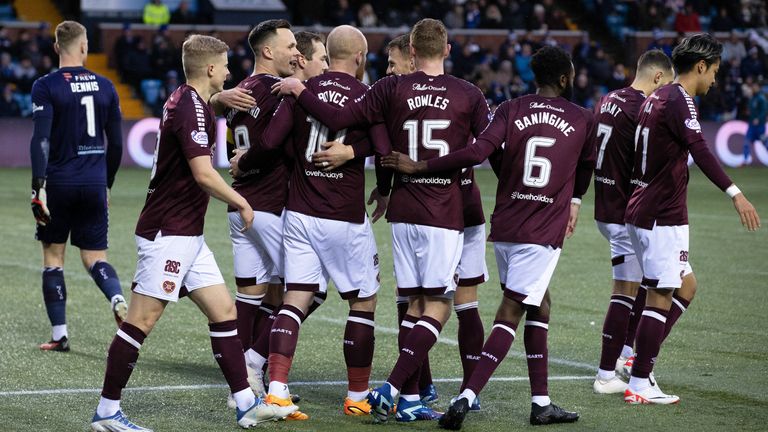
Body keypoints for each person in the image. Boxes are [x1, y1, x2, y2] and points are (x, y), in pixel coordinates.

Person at [275, 18, 491, 423]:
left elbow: (342, 121)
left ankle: (411, 398)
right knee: (445, 304)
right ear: (447, 50)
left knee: (413, 306)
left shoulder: (389, 90)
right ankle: (397, 388)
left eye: (394, 60)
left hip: (404, 210)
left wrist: (301, 89)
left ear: (411, 51)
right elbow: (484, 147)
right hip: (447, 210)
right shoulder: (468, 93)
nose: (389, 68)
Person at [89, 34, 296, 431]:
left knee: (225, 313)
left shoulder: (189, 99)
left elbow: (203, 119)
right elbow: (203, 174)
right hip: (168, 233)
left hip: (187, 235)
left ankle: (245, 403)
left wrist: (220, 100)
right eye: (226, 65)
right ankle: (106, 412)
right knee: (140, 323)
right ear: (211, 69)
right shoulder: (191, 108)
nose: (232, 72)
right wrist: (241, 201)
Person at [381, 45, 594, 429]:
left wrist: (424, 164)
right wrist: (574, 200)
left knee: (539, 303)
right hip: (542, 229)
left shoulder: (511, 109)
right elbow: (588, 164)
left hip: (507, 225)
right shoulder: (582, 118)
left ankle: (541, 401)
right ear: (566, 78)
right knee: (509, 312)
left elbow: (479, 150)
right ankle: (466, 395)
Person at [233, 24, 388, 419]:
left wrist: (243, 162)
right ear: (359, 57)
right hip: (344, 215)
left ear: (328, 53)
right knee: (363, 301)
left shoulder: (298, 90)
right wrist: (353, 150)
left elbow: (270, 142)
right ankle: (356, 394)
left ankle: (278, 390)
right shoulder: (368, 95)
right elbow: (384, 144)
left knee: (294, 298)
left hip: (300, 213)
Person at [623, 33, 760, 405]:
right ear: (701, 67)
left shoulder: (656, 97)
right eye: (714, 71)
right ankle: (639, 380)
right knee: (662, 293)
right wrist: (736, 194)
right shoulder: (678, 99)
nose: (714, 79)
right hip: (660, 214)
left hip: (648, 208)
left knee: (685, 286)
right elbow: (699, 148)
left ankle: (638, 359)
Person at [212, 20, 301, 413]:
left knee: (251, 293)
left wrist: (217, 100)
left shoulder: (238, 93)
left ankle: (243, 385)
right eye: (290, 45)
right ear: (268, 51)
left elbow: (225, 123)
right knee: (307, 289)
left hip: (240, 206)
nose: (295, 52)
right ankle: (255, 363)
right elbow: (274, 142)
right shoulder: (273, 92)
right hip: (267, 206)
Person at [29, 20, 126, 352]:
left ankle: (59, 335)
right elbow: (116, 146)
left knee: (54, 257)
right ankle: (116, 297)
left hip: (59, 184)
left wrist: (37, 186)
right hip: (94, 183)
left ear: (57, 47)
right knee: (95, 257)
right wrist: (107, 183)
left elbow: (40, 139)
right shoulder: (106, 86)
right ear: (84, 47)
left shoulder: (46, 86)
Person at [591, 50, 674, 395]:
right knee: (641, 289)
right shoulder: (642, 107)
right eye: (666, 86)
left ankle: (624, 355)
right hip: (626, 212)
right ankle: (611, 371)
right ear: (657, 78)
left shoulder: (607, 99)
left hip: (606, 206)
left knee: (642, 284)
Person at [743, 81, 766, 166]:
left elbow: (764, 111)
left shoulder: (761, 98)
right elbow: (750, 109)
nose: (753, 88)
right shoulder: (752, 98)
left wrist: (758, 119)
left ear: (759, 88)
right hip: (751, 126)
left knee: (764, 143)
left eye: (755, 87)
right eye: (753, 87)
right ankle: (746, 161)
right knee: (746, 141)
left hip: (760, 126)